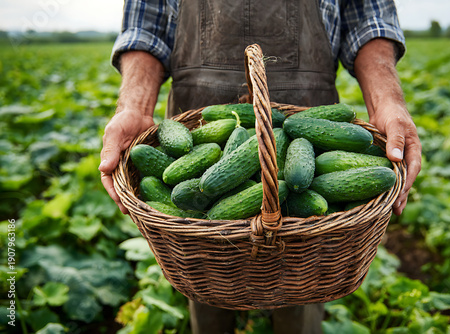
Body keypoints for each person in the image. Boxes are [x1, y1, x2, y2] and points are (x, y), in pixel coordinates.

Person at [99, 0, 422, 333]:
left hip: (306, 120)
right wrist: (133, 108)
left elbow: (369, 20)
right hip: (197, 125)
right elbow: (145, 27)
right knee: (207, 283)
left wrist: (388, 102)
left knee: (302, 291)